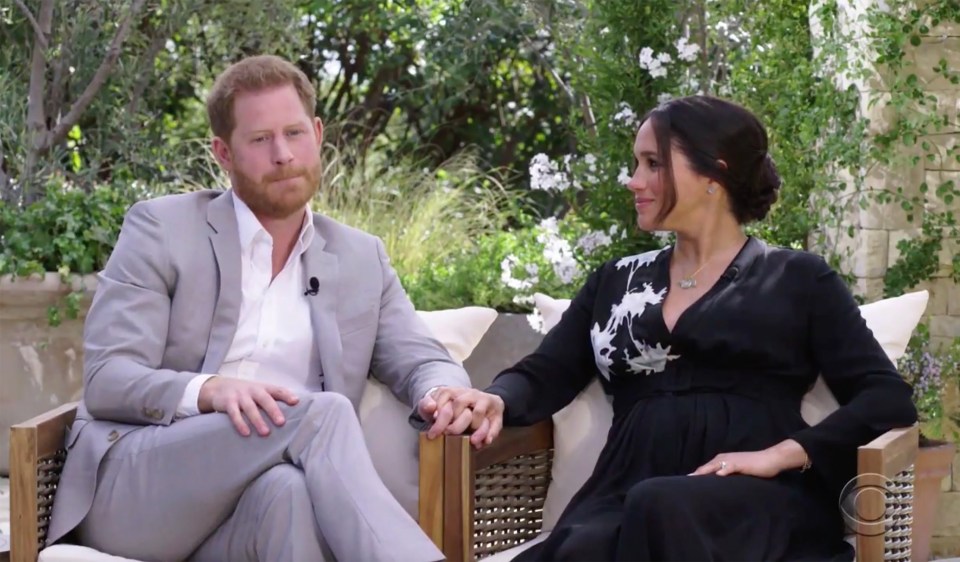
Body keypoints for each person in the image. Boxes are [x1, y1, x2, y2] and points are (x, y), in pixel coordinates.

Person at [437, 95, 918, 560]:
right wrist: (495, 398)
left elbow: (885, 397)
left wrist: (782, 454)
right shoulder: (613, 281)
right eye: (636, 164)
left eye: (653, 163)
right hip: (623, 493)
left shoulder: (796, 278)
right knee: (585, 544)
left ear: (714, 174)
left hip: (755, 499)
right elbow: (547, 372)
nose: (633, 181)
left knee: (660, 505)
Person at [46, 54, 476, 562]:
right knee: (319, 415)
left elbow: (420, 358)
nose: (283, 155)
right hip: (138, 493)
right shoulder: (162, 229)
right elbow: (108, 378)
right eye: (260, 139)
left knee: (287, 493)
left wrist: (444, 391)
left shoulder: (361, 258)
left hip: (247, 512)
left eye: (294, 133)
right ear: (223, 153)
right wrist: (208, 391)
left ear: (317, 133)